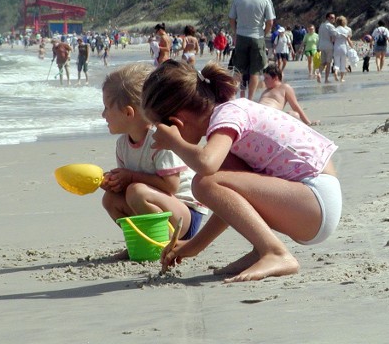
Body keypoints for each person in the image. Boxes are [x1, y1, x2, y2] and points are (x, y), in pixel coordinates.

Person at [140, 60, 341, 283]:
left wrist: (175, 142)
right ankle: (262, 248)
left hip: (314, 199)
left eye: (160, 129)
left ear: (177, 121)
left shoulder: (227, 115)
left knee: (203, 182)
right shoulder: (227, 121)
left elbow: (206, 165)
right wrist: (193, 246)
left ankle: (275, 252)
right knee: (212, 182)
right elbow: (231, 203)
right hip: (313, 204)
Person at [100, 63, 208, 255]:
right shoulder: (122, 145)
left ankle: (163, 244)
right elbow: (127, 184)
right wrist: (115, 182)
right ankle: (142, 240)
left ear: (128, 112)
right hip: (156, 205)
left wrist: (131, 177)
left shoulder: (160, 139)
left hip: (184, 214)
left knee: (136, 191)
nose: (103, 115)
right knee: (110, 199)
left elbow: (171, 185)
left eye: (107, 108)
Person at [229, 0, 276, 100]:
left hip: (241, 36)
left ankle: (233, 96)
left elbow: (232, 19)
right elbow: (270, 21)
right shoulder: (265, 0)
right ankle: (250, 99)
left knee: (238, 69)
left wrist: (235, 32)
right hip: (257, 36)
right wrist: (264, 33)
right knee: (255, 71)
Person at [332, 16, 354, 82]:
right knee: (343, 63)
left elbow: (332, 40)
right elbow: (348, 40)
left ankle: (335, 72)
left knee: (336, 63)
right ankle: (341, 78)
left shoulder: (335, 30)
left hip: (336, 47)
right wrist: (351, 46)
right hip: (344, 47)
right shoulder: (346, 30)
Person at [317, 12, 336, 83]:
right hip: (329, 46)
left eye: (334, 18)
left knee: (323, 62)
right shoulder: (330, 26)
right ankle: (326, 79)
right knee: (328, 63)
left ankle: (319, 73)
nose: (333, 19)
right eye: (332, 18)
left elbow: (319, 36)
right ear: (328, 18)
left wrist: (318, 46)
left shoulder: (321, 25)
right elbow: (334, 35)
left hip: (321, 45)